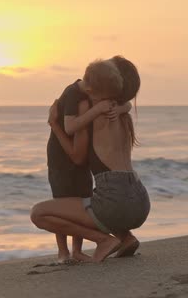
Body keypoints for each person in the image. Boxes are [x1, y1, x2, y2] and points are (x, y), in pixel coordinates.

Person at [32, 56, 150, 262]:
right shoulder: (123, 115)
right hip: (140, 201)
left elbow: (77, 156)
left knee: (38, 214)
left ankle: (102, 240)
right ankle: (126, 237)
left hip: (116, 203)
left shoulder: (94, 114)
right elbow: (127, 106)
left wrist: (55, 125)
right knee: (96, 202)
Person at [46, 74, 132, 262]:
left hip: (80, 151)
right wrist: (54, 124)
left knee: (82, 197)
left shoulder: (91, 92)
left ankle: (77, 251)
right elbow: (70, 127)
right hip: (60, 155)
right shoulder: (73, 94)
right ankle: (63, 252)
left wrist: (122, 108)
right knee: (61, 200)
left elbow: (124, 104)